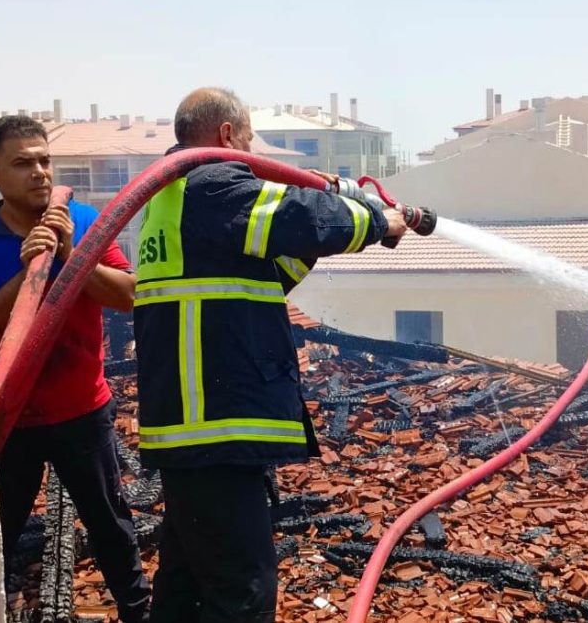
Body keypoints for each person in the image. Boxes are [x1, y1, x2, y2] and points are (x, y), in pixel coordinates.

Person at [134, 87, 406, 623]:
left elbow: (264, 275)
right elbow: (299, 217)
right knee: (243, 595)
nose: (253, 152)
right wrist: (374, 221)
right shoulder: (210, 183)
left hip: (192, 427)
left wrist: (318, 239)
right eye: (251, 139)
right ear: (228, 135)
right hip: (216, 427)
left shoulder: (170, 198)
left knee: (187, 585)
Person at [0, 115, 151, 622]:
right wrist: (28, 273)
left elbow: (130, 295)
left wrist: (74, 255)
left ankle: (138, 612)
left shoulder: (85, 220)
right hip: (11, 413)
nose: (39, 173)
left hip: (81, 409)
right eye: (22, 163)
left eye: (44, 160)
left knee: (110, 526)